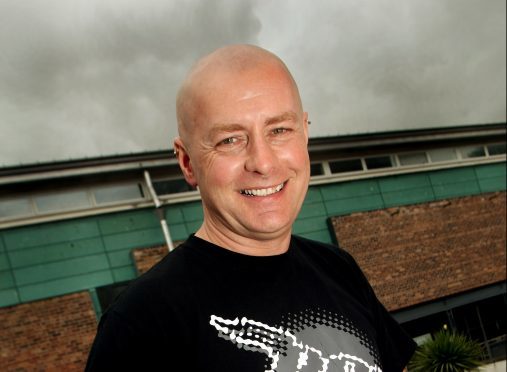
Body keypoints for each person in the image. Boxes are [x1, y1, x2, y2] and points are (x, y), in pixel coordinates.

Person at [86, 45, 416, 371]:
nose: (263, 162)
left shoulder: (339, 269)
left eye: (279, 130)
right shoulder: (142, 324)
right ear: (187, 162)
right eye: (230, 139)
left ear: (304, 133)